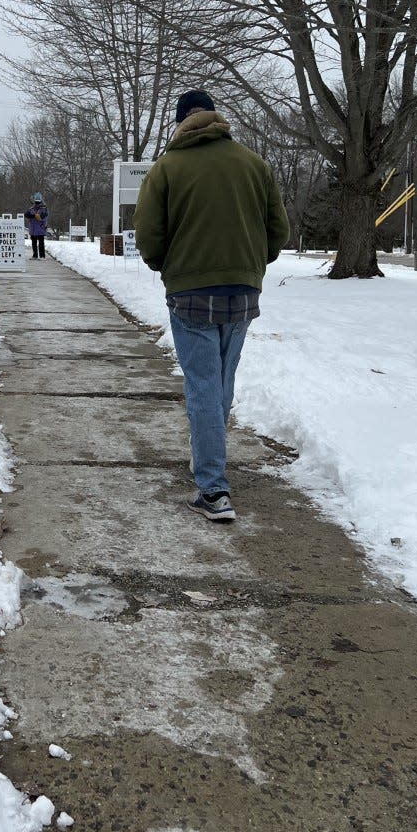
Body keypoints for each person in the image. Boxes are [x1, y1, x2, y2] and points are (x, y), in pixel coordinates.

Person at [133, 90, 289, 522]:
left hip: (190, 293)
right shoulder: (255, 165)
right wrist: (252, 263)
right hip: (243, 291)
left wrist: (167, 266)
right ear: (216, 117)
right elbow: (279, 229)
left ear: (180, 121)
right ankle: (209, 457)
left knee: (202, 384)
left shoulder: (168, 167)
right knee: (221, 379)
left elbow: (147, 233)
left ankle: (213, 489)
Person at [24, 192, 49, 259]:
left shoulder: (44, 209)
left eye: (38, 202)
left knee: (41, 243)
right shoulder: (31, 209)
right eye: (36, 202)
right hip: (33, 228)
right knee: (34, 243)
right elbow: (26, 214)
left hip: (41, 228)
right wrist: (34, 215)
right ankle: (35, 255)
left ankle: (42, 256)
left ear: (41, 201)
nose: (37, 203)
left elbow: (45, 216)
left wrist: (39, 217)